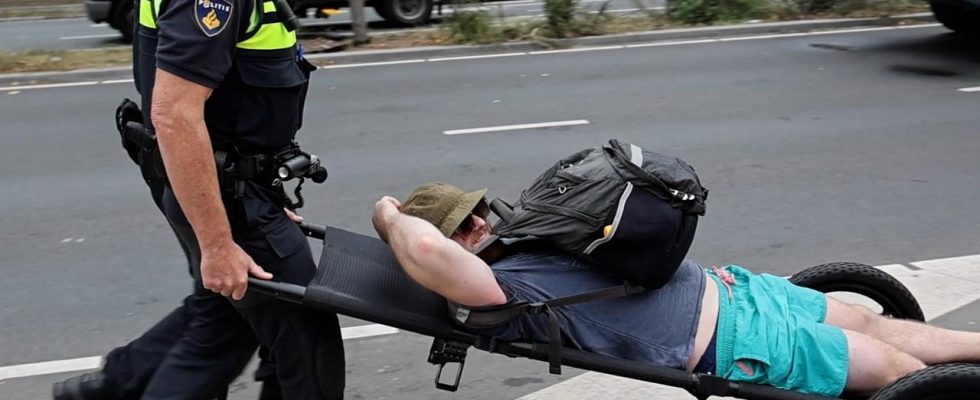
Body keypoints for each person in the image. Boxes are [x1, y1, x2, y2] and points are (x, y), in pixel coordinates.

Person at [372, 182, 980, 397]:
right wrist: (388, 215)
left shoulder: (525, 239)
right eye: (463, 227)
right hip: (738, 342)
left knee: (878, 325)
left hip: (740, 291)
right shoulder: (485, 295)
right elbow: (423, 249)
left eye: (476, 211)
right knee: (902, 374)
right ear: (446, 247)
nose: (481, 223)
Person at [53, 0, 345, 399]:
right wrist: (218, 244)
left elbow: (241, 97)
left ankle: (111, 385)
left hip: (238, 188)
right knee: (306, 339)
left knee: (225, 323)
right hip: (229, 197)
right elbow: (174, 115)